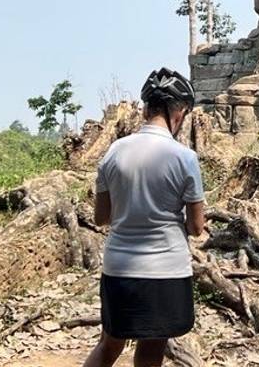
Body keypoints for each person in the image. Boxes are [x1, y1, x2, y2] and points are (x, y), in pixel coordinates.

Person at [83, 68, 207, 367]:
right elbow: (196, 227)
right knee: (152, 350)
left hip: (119, 267)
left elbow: (101, 218)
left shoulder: (113, 152)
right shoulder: (184, 158)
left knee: (109, 343)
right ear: (177, 112)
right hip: (165, 269)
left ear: (147, 107)